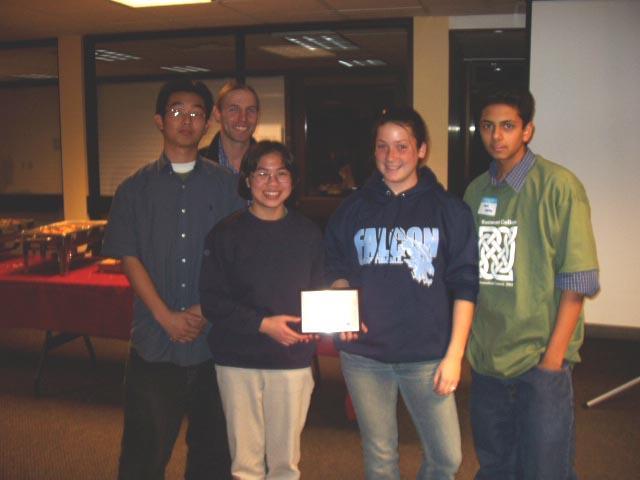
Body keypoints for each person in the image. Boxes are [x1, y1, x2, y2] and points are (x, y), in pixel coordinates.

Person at [324, 106, 479, 479]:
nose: (391, 156)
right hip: (364, 356)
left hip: (426, 357)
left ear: (421, 150)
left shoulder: (449, 210)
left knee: (446, 458)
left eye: (402, 146)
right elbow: (336, 268)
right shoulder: (352, 209)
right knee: (380, 457)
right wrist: (344, 308)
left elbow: (465, 285)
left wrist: (455, 355)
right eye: (382, 146)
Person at [102, 79, 244, 480]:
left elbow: (238, 257)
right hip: (154, 342)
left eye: (196, 113)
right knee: (143, 458)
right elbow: (129, 257)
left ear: (208, 123)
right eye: (177, 111)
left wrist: (204, 308)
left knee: (213, 458)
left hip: (213, 343)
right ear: (159, 120)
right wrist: (165, 316)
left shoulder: (228, 186)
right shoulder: (133, 190)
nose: (187, 120)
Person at [463, 85, 600, 480]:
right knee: (495, 466)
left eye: (507, 126)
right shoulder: (475, 191)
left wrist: (552, 362)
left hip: (539, 361)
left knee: (546, 469)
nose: (496, 136)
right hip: (488, 361)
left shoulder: (560, 186)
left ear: (527, 130)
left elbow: (577, 280)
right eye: (487, 126)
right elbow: (467, 276)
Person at [199, 140, 323, 480]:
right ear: (248, 179)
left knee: (285, 464)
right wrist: (263, 324)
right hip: (237, 360)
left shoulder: (309, 234)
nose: (272, 183)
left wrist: (333, 321)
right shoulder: (225, 234)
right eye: (262, 174)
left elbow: (320, 293)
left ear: (293, 180)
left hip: (291, 360)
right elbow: (212, 301)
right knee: (245, 464)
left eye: (281, 174)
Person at [199, 79, 259, 173]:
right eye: (234, 110)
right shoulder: (196, 165)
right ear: (217, 114)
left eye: (250, 110)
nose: (243, 118)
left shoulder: (273, 165)